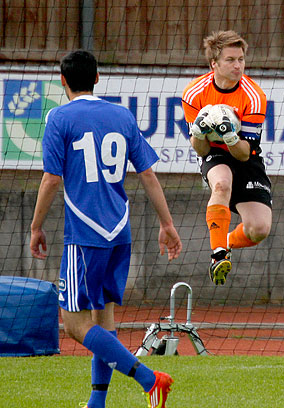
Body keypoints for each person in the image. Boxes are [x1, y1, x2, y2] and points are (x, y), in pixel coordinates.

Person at [29, 50, 182, 408]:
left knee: (74, 325)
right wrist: (167, 223)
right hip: (119, 231)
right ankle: (97, 402)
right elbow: (147, 173)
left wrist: (36, 226)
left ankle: (149, 378)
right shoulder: (122, 115)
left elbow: (52, 178)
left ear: (63, 81)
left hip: (85, 233)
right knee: (104, 318)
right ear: (98, 78)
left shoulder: (58, 117)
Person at [181, 30, 271, 286]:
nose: (238, 65)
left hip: (242, 152)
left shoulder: (255, 96)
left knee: (259, 229)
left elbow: (245, 153)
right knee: (221, 184)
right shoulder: (194, 93)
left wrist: (230, 135)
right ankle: (218, 254)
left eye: (241, 59)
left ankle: (227, 241)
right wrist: (199, 131)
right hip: (214, 150)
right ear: (214, 64)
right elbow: (200, 149)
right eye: (231, 60)